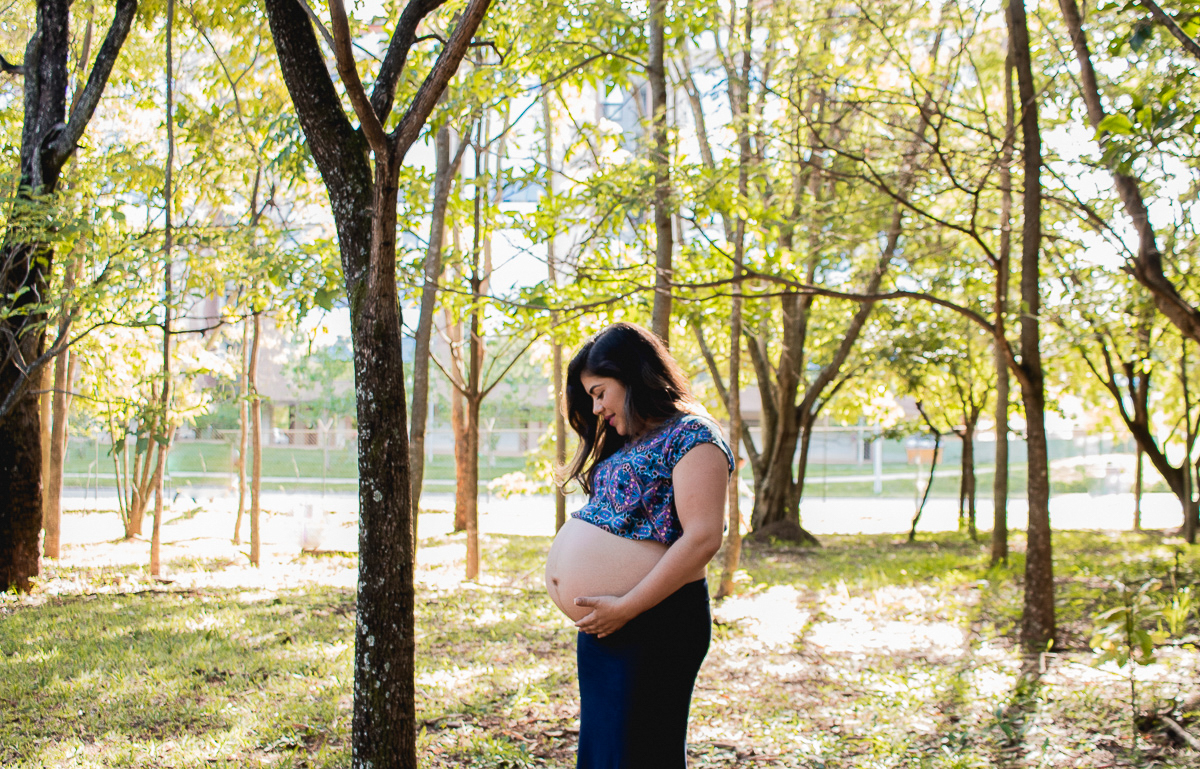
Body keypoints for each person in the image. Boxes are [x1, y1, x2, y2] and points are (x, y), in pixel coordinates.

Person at [544, 322, 733, 768]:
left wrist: (628, 605)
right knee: (606, 754)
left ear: (631, 374)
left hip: (655, 621)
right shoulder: (632, 441)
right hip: (610, 625)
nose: (596, 408)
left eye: (600, 392)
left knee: (641, 753)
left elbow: (704, 536)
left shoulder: (693, 435)